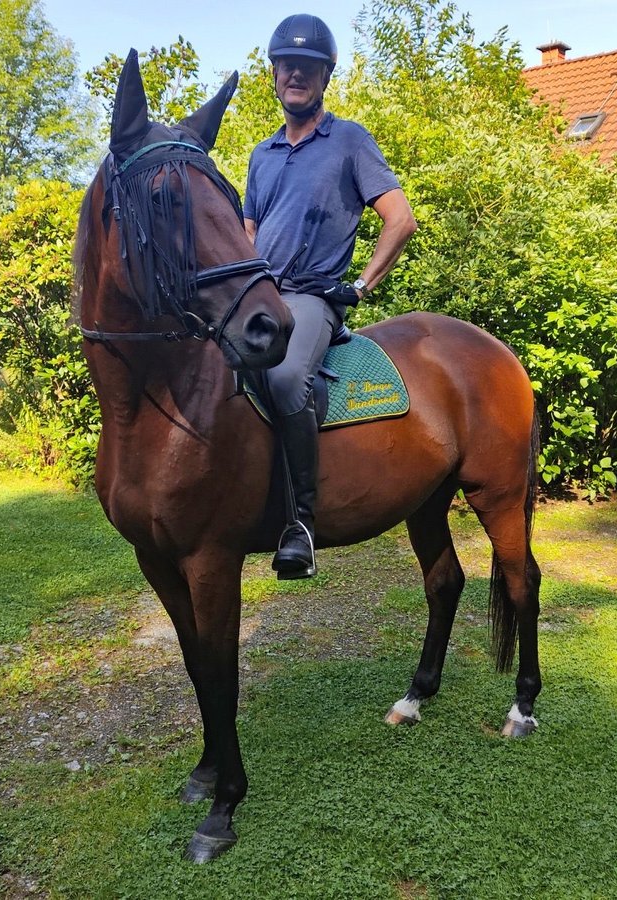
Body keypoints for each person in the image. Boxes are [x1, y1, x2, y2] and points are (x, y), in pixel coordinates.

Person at [244, 13, 417, 580]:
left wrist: (361, 284)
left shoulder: (347, 140)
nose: (295, 74)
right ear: (273, 74)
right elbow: (248, 235)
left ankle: (301, 524)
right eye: (286, 65)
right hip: (259, 294)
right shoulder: (260, 155)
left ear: (325, 76)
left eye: (308, 67)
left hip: (312, 298)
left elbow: (400, 219)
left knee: (288, 377)